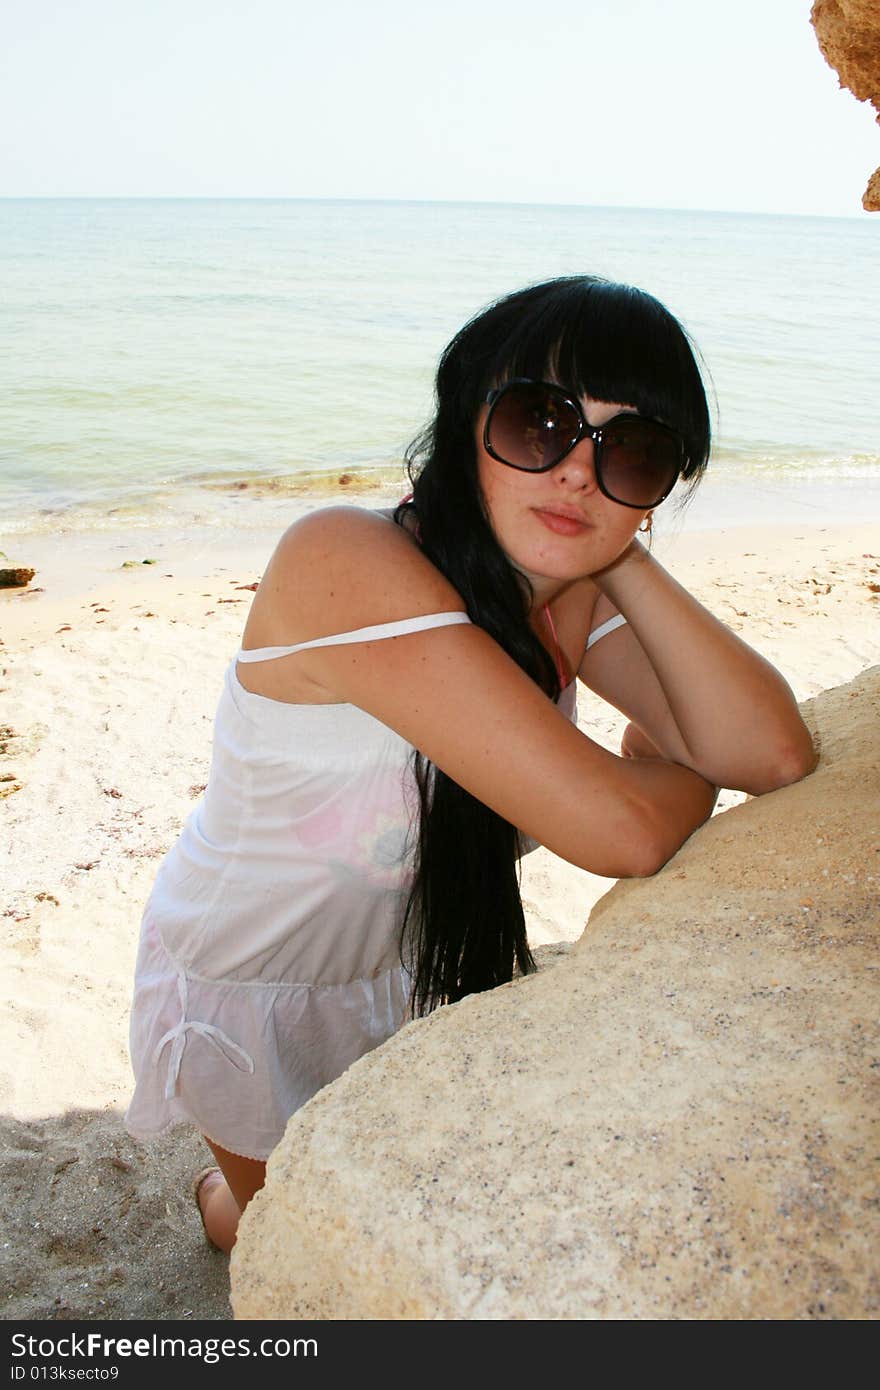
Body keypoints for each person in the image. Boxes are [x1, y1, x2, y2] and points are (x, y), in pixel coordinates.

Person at [124, 275, 816, 1253]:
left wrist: (615, 547)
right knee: (285, 1246)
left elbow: (773, 750)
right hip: (257, 985)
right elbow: (619, 829)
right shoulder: (344, 561)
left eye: (634, 450)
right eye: (542, 421)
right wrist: (671, 771)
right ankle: (223, 1200)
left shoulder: (567, 590)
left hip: (417, 966)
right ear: (466, 424)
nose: (578, 469)